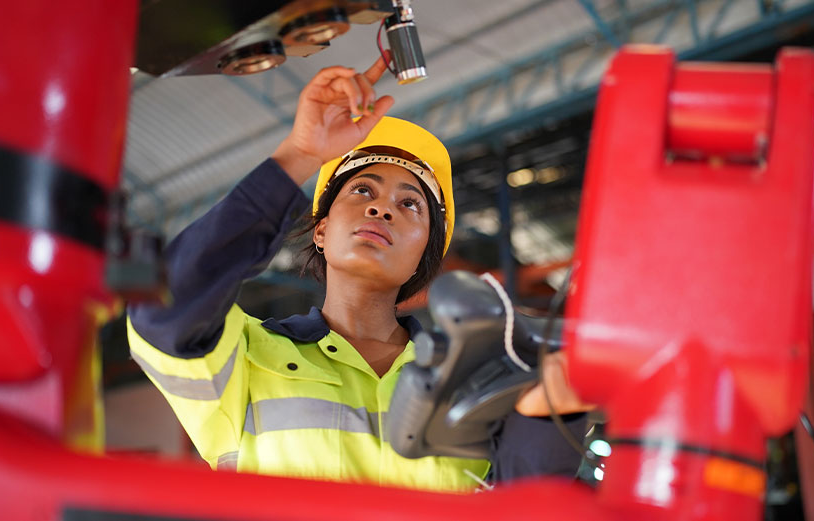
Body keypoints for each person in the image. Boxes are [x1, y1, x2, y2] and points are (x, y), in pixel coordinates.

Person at [126, 54, 591, 493]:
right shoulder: (243, 359)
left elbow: (524, 499)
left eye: (409, 204)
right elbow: (168, 301)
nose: (381, 208)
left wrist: (550, 410)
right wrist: (300, 153)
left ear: (424, 256)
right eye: (363, 190)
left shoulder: (472, 376)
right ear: (322, 230)